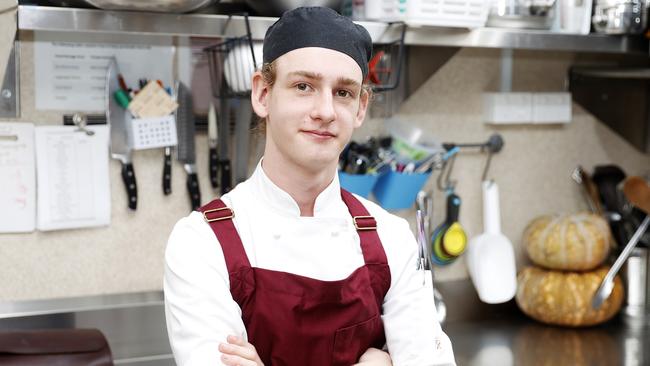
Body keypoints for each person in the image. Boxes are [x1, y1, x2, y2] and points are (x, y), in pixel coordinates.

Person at [164, 7, 456, 366]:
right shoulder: (201, 242)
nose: (325, 111)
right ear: (263, 94)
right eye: (304, 86)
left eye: (344, 93)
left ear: (361, 107)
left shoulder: (395, 239)